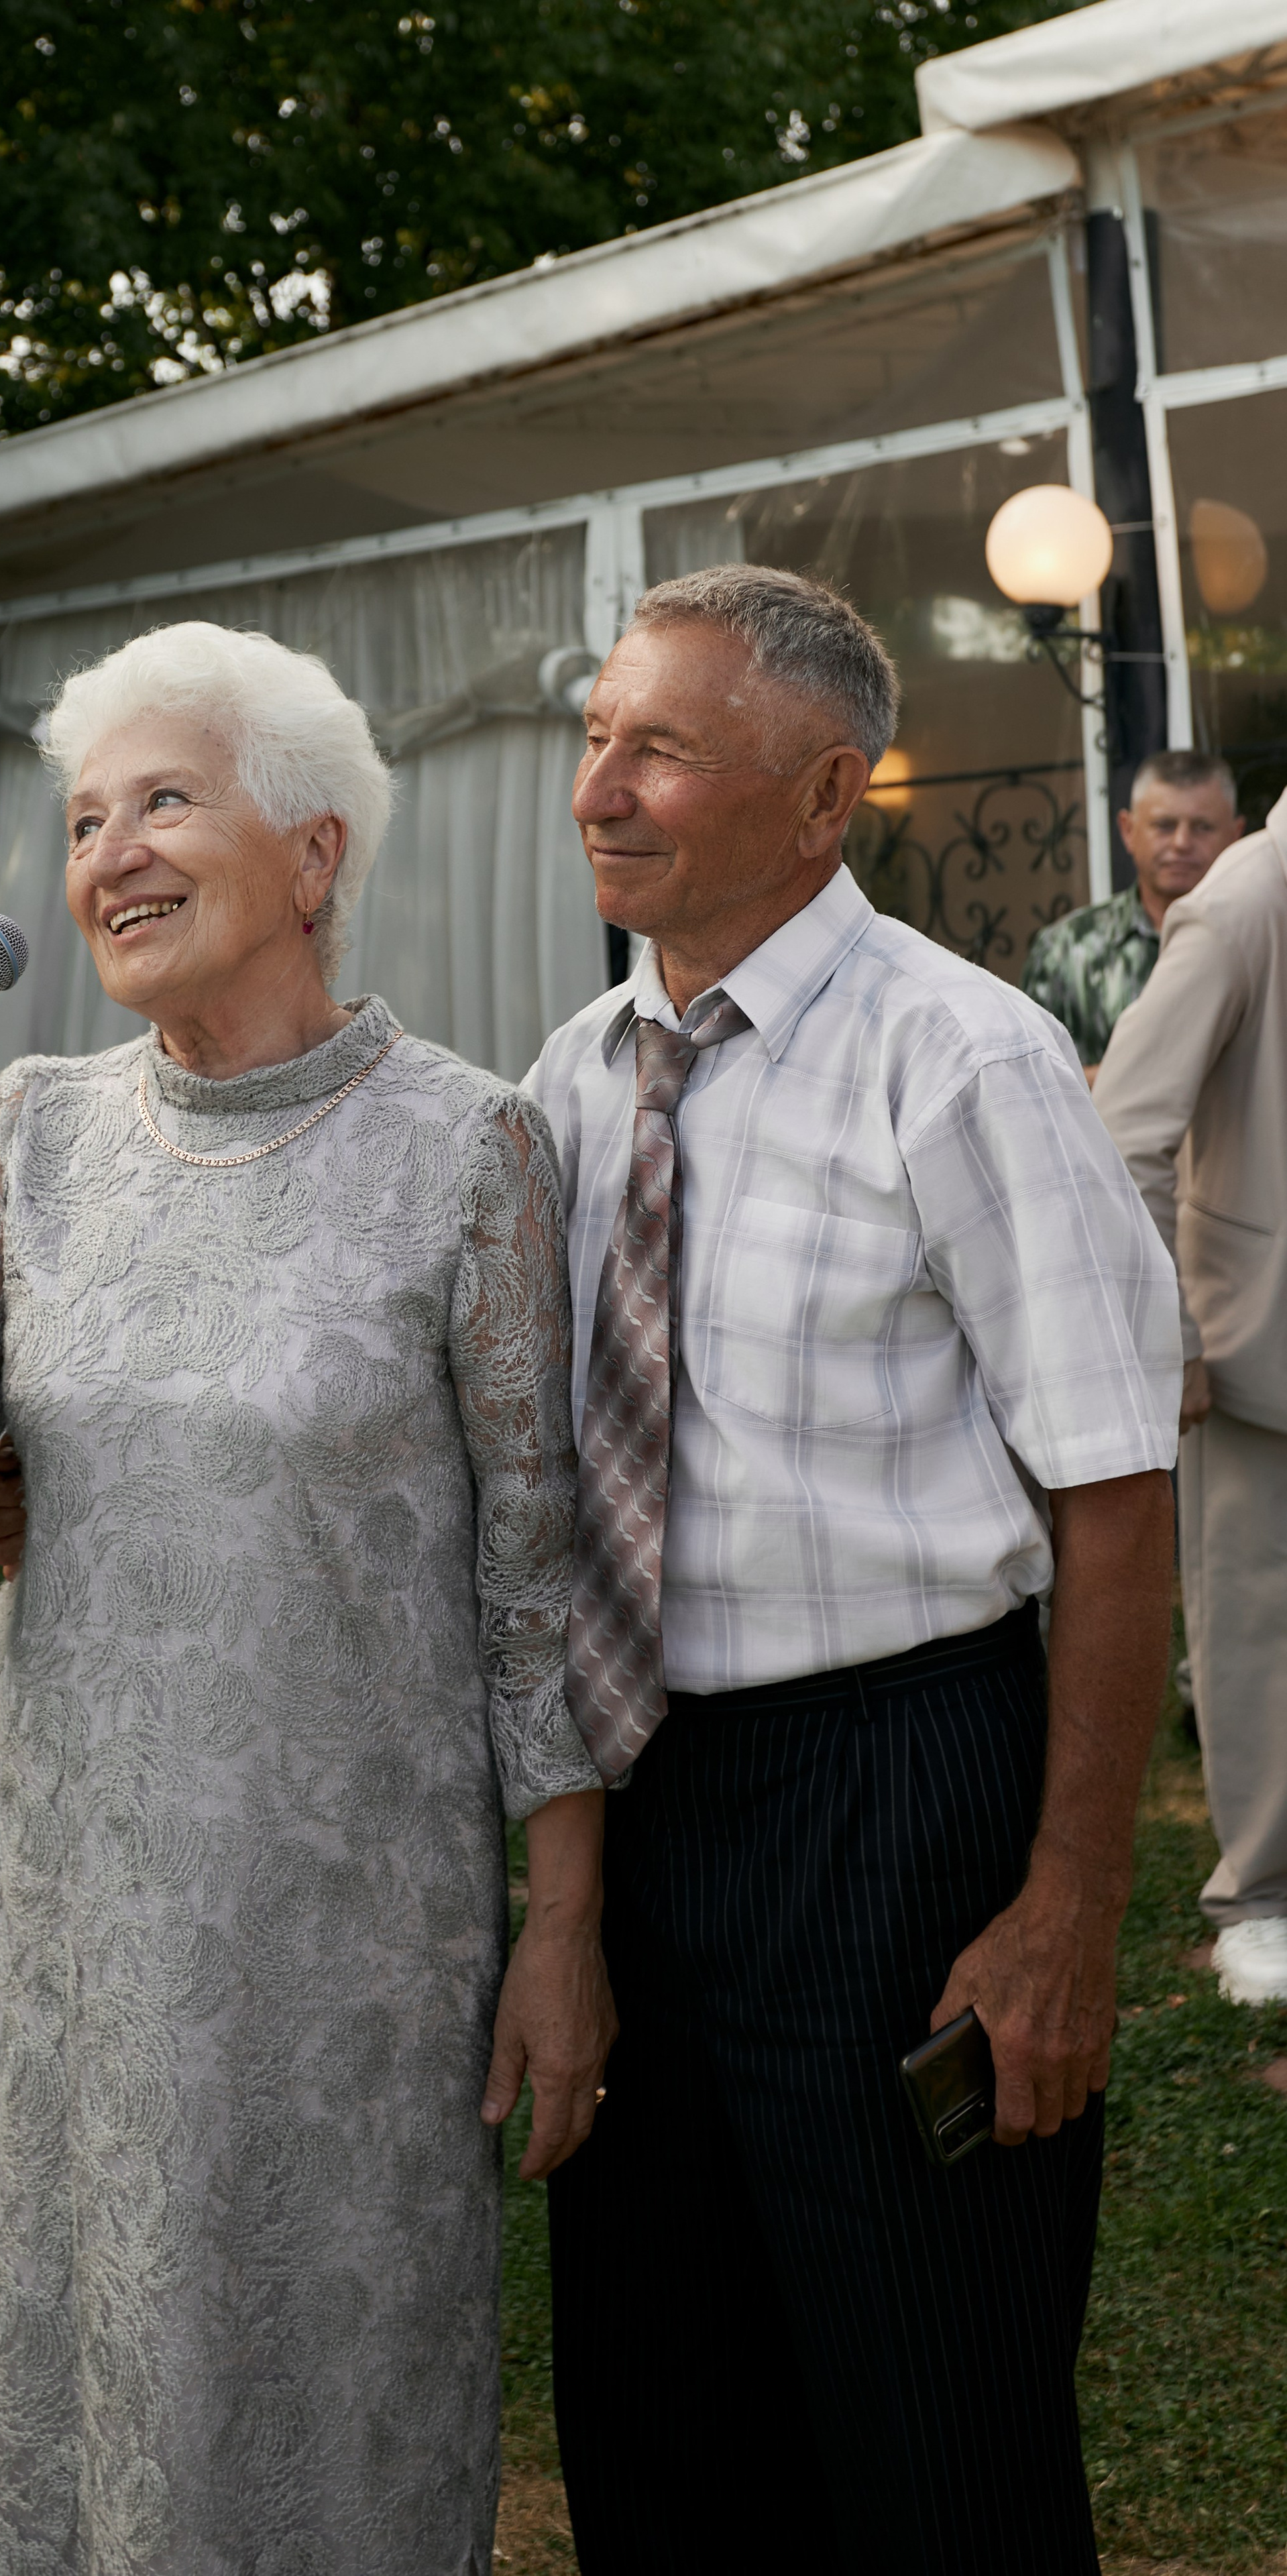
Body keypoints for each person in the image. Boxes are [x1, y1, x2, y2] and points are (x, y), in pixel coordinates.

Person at [0, 620, 615, 2575]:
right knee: (54, 2412)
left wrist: (565, 1918)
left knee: (310, 2433)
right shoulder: (29, 1135)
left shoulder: (466, 1146)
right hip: (55, 1921)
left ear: (313, 852)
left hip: (341, 1960)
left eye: (163, 797)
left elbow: (533, 1580)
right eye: (80, 816)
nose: (110, 850)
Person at [522, 567, 1181, 2576]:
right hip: (648, 1799)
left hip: (901, 1797)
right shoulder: (567, 1078)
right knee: (659, 2416)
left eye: (658, 748)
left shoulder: (962, 1062)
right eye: (591, 735)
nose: (600, 788)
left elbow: (1115, 1495)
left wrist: (1067, 1902)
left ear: (820, 798)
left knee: (935, 2428)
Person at [1095, 781, 1287, 2005]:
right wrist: (1174, 1339)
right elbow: (1124, 1134)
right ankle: (1260, 1899)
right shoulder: (1241, 903)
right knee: (1256, 1634)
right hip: (1261, 1354)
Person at [1021, 748, 1245, 1079]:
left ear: (1235, 835)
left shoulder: (1262, 940)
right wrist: (1138, 1079)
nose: (1182, 843)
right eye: (1165, 826)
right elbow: (1028, 1080)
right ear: (1128, 830)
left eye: (1202, 827)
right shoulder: (1066, 950)